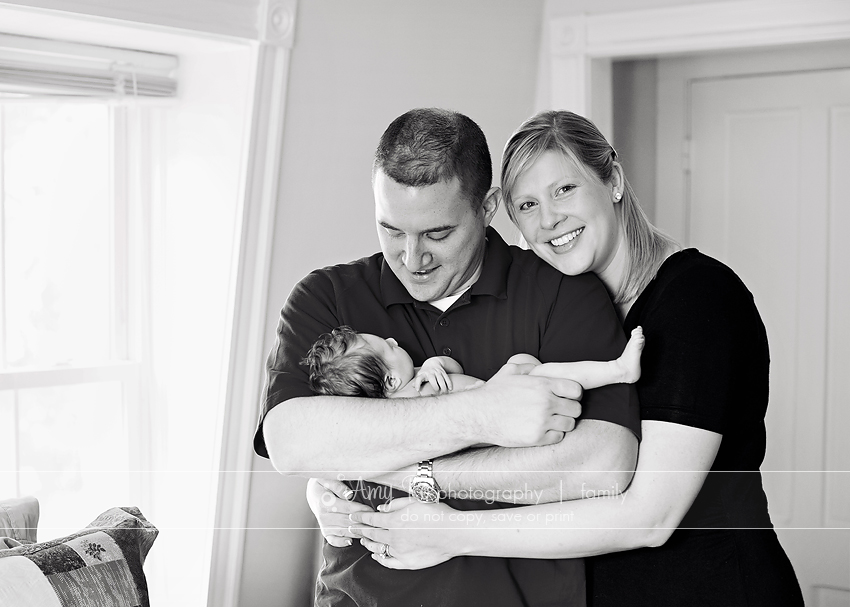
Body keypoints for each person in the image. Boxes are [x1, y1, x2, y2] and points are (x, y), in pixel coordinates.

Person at [347, 110, 804, 607]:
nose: (549, 219)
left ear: (612, 180)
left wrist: (449, 532)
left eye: (564, 190)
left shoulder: (699, 298)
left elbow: (650, 517)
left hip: (717, 587)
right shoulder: (562, 319)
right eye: (527, 204)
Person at [255, 108, 640, 607]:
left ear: (488, 207)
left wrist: (407, 472)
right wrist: (484, 415)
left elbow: (602, 466)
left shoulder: (564, 294)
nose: (412, 260)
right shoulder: (327, 297)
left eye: (437, 234)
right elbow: (290, 441)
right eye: (392, 230)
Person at [303, 325, 645, 398]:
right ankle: (616, 371)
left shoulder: (418, 375)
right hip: (496, 407)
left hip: (495, 396)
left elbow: (455, 372)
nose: (393, 339)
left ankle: (612, 372)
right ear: (390, 381)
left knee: (525, 364)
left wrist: (436, 362)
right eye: (387, 347)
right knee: (529, 368)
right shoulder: (408, 399)